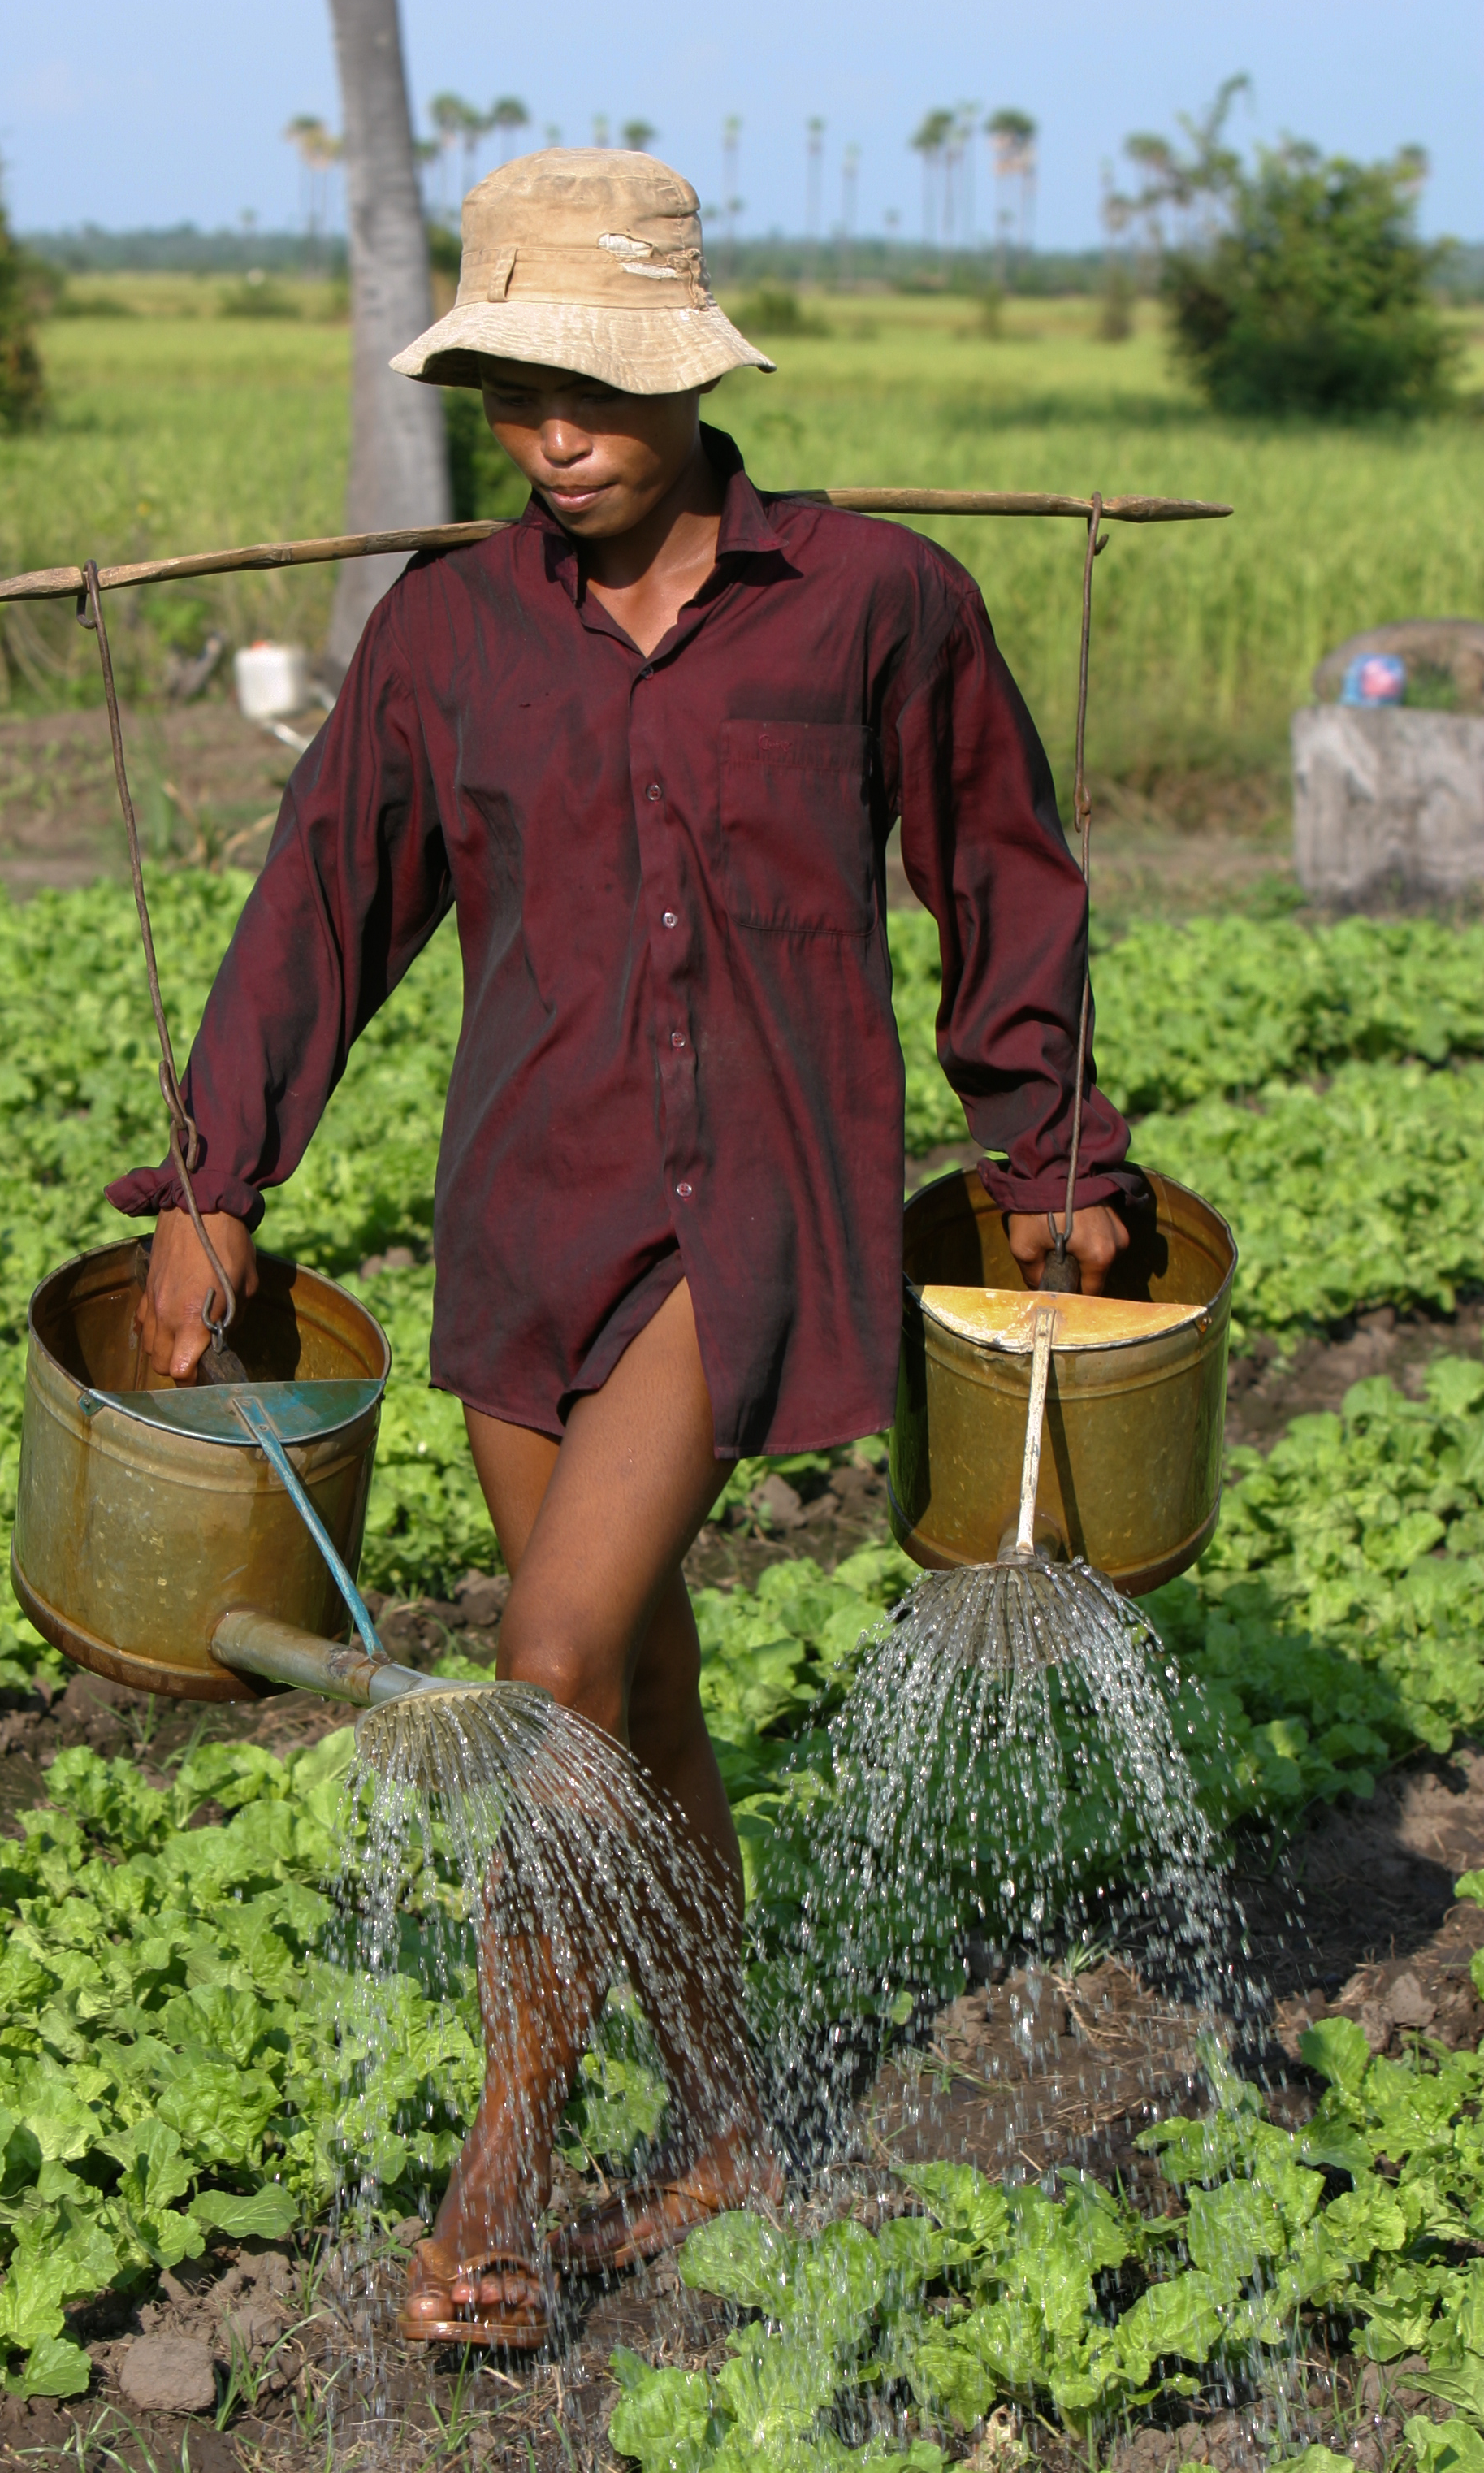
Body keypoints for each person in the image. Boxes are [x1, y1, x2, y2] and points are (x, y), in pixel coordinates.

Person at [109, 148, 1141, 2348]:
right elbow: (321, 907)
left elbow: (1003, 873)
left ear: (683, 374)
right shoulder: (448, 633)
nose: (552, 436)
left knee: (556, 1677)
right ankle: (740, 2126)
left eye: (590, 387)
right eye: (511, 392)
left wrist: (1048, 1144)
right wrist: (220, 1176)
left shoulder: (875, 601)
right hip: (525, 1230)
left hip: (752, 1216)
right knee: (649, 1706)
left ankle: (490, 2194)